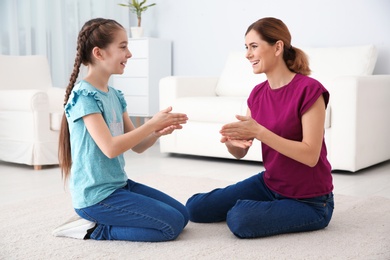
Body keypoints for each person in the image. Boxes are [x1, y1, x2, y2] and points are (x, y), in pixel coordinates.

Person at [185, 17, 334, 238]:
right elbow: (241, 151)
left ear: (278, 47)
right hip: (270, 184)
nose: (247, 54)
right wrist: (233, 144)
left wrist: (259, 132)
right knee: (195, 208)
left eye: (254, 46)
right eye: (246, 47)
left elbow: (311, 155)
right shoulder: (257, 94)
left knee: (240, 218)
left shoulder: (309, 90)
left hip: (310, 201)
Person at [52, 18, 189, 242]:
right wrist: (151, 123)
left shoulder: (114, 96)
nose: (129, 54)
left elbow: (137, 146)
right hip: (95, 197)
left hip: (119, 186)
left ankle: (105, 222)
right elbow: (110, 148)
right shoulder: (84, 96)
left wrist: (156, 131)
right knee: (170, 226)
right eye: (123, 47)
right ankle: (94, 230)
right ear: (99, 53)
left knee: (182, 215)